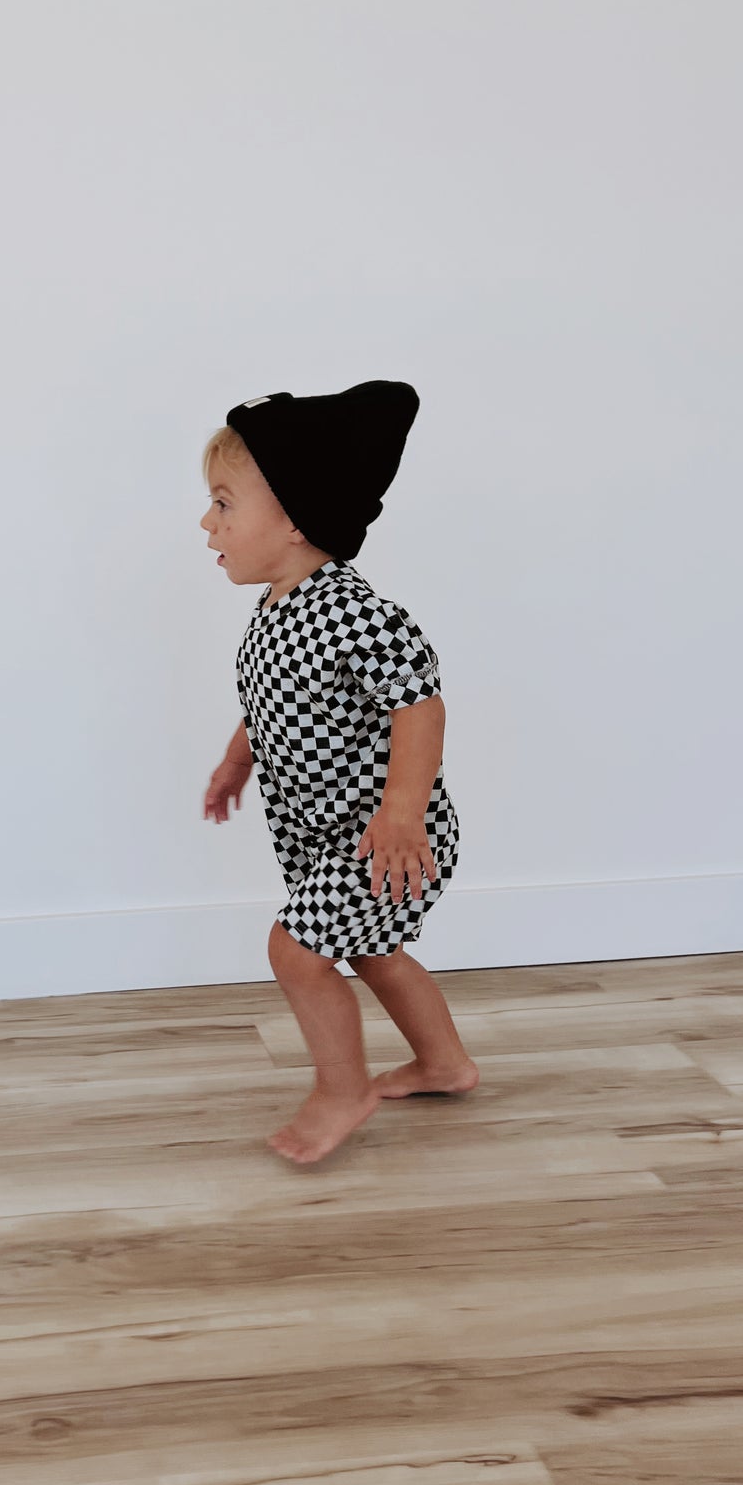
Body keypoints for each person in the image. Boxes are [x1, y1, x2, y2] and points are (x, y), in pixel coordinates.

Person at [201, 379, 479, 1166]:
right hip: (323, 833)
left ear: (291, 519)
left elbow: (418, 704)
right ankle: (444, 1064)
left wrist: (399, 813)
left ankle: (340, 1088)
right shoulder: (277, 609)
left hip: (385, 834)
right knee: (374, 951)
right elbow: (270, 699)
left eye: (223, 504)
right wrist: (235, 758)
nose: (205, 522)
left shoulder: (352, 611)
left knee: (295, 951)